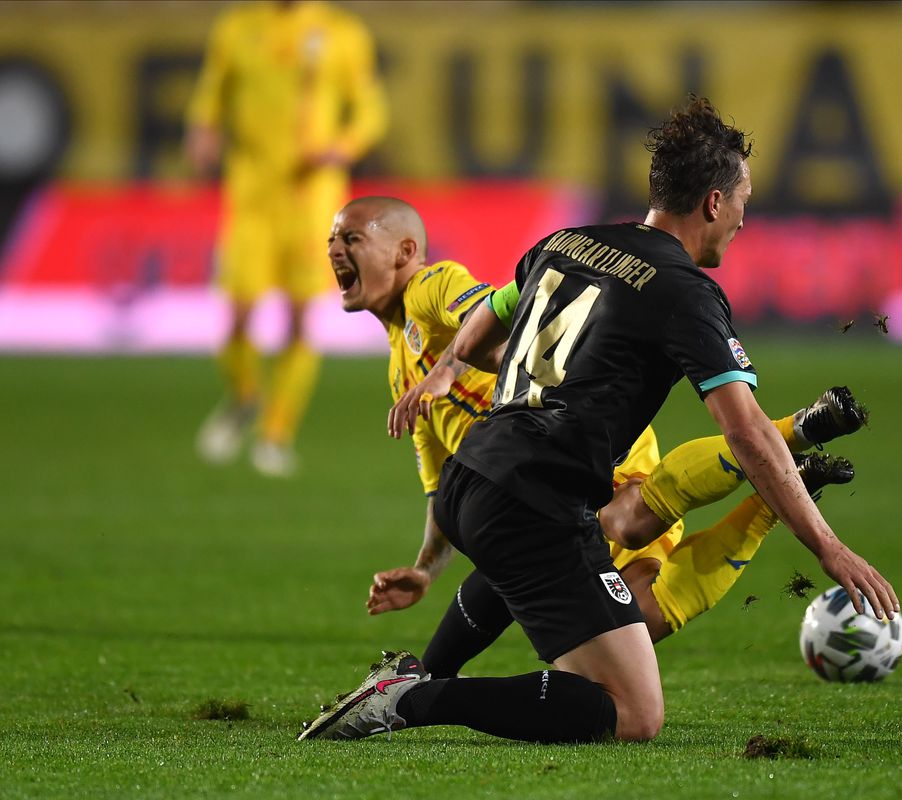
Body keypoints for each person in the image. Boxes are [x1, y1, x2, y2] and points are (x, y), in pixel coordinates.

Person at [299, 97, 898, 744]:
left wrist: (448, 364)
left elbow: (494, 308)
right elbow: (747, 434)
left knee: (557, 559)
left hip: (478, 480)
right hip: (537, 491)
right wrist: (829, 548)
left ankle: (417, 677)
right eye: (744, 199)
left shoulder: (566, 243)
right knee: (633, 713)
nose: (747, 218)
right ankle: (413, 700)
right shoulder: (685, 293)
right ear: (715, 203)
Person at [311, 196, 865, 679]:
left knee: (624, 520)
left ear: (405, 251)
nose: (335, 249)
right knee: (644, 615)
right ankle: (780, 489)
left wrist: (450, 368)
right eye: (332, 238)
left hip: (582, 450)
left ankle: (795, 433)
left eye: (351, 238)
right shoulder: (399, 372)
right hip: (532, 473)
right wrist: (426, 569)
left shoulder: (432, 287)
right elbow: (438, 486)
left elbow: (492, 311)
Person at [187, 0, 386, 477]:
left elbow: (370, 109)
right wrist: (203, 132)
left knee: (298, 318)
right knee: (238, 313)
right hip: (253, 195)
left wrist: (344, 144)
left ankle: (276, 433)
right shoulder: (237, 28)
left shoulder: (342, 32)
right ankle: (244, 395)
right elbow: (210, 96)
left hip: (312, 200)